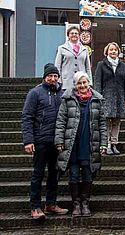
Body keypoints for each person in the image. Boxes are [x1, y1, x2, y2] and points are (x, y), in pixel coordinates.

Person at [55, 71, 107, 217]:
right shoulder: (67, 99)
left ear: (88, 83)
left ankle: (85, 203)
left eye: (84, 82)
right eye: (79, 83)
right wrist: (59, 141)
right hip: (72, 144)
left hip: (89, 143)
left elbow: (102, 124)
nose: (82, 85)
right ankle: (76, 204)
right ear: (75, 85)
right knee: (74, 174)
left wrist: (104, 143)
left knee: (87, 174)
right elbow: (60, 122)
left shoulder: (97, 100)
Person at [22, 63, 68, 220]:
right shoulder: (35, 93)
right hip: (40, 141)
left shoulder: (61, 93)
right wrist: (28, 140)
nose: (53, 78)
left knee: (54, 174)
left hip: (56, 142)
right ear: (45, 77)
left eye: (55, 76)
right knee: (38, 174)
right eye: (50, 76)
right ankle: (35, 207)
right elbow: (27, 117)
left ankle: (50, 204)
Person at [94, 42, 125, 155]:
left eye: (115, 50)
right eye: (111, 50)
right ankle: (107, 145)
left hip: (119, 98)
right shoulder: (101, 65)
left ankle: (114, 144)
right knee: (105, 122)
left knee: (116, 122)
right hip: (105, 97)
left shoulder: (123, 66)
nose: (113, 51)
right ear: (107, 52)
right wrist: (98, 98)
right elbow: (97, 82)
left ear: (118, 52)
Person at [55, 26, 92, 91]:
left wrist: (89, 82)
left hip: (81, 83)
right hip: (66, 83)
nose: (74, 35)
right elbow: (57, 66)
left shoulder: (84, 49)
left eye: (76, 33)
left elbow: (88, 68)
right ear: (68, 36)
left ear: (79, 35)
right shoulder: (62, 48)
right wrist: (59, 81)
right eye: (72, 33)